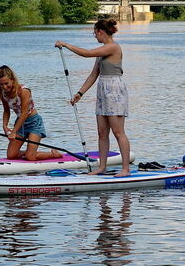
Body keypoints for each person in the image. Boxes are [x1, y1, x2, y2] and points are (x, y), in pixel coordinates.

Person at [56, 19, 131, 176]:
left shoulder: (113, 47)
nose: (94, 36)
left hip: (114, 89)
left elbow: (87, 54)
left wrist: (67, 45)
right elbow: (93, 75)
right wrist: (80, 93)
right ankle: (102, 167)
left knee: (118, 132)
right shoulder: (103, 50)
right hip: (103, 89)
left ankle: (125, 169)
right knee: (102, 132)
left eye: (94, 33)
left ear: (100, 32)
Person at [0, 65, 62, 161]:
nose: (4, 87)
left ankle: (53, 155)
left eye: (6, 83)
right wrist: (4, 125)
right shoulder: (4, 93)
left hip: (34, 123)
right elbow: (6, 110)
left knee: (30, 157)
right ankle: (28, 152)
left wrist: (14, 131)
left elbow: (24, 113)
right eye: (1, 84)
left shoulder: (24, 91)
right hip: (20, 124)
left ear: (12, 80)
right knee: (11, 156)